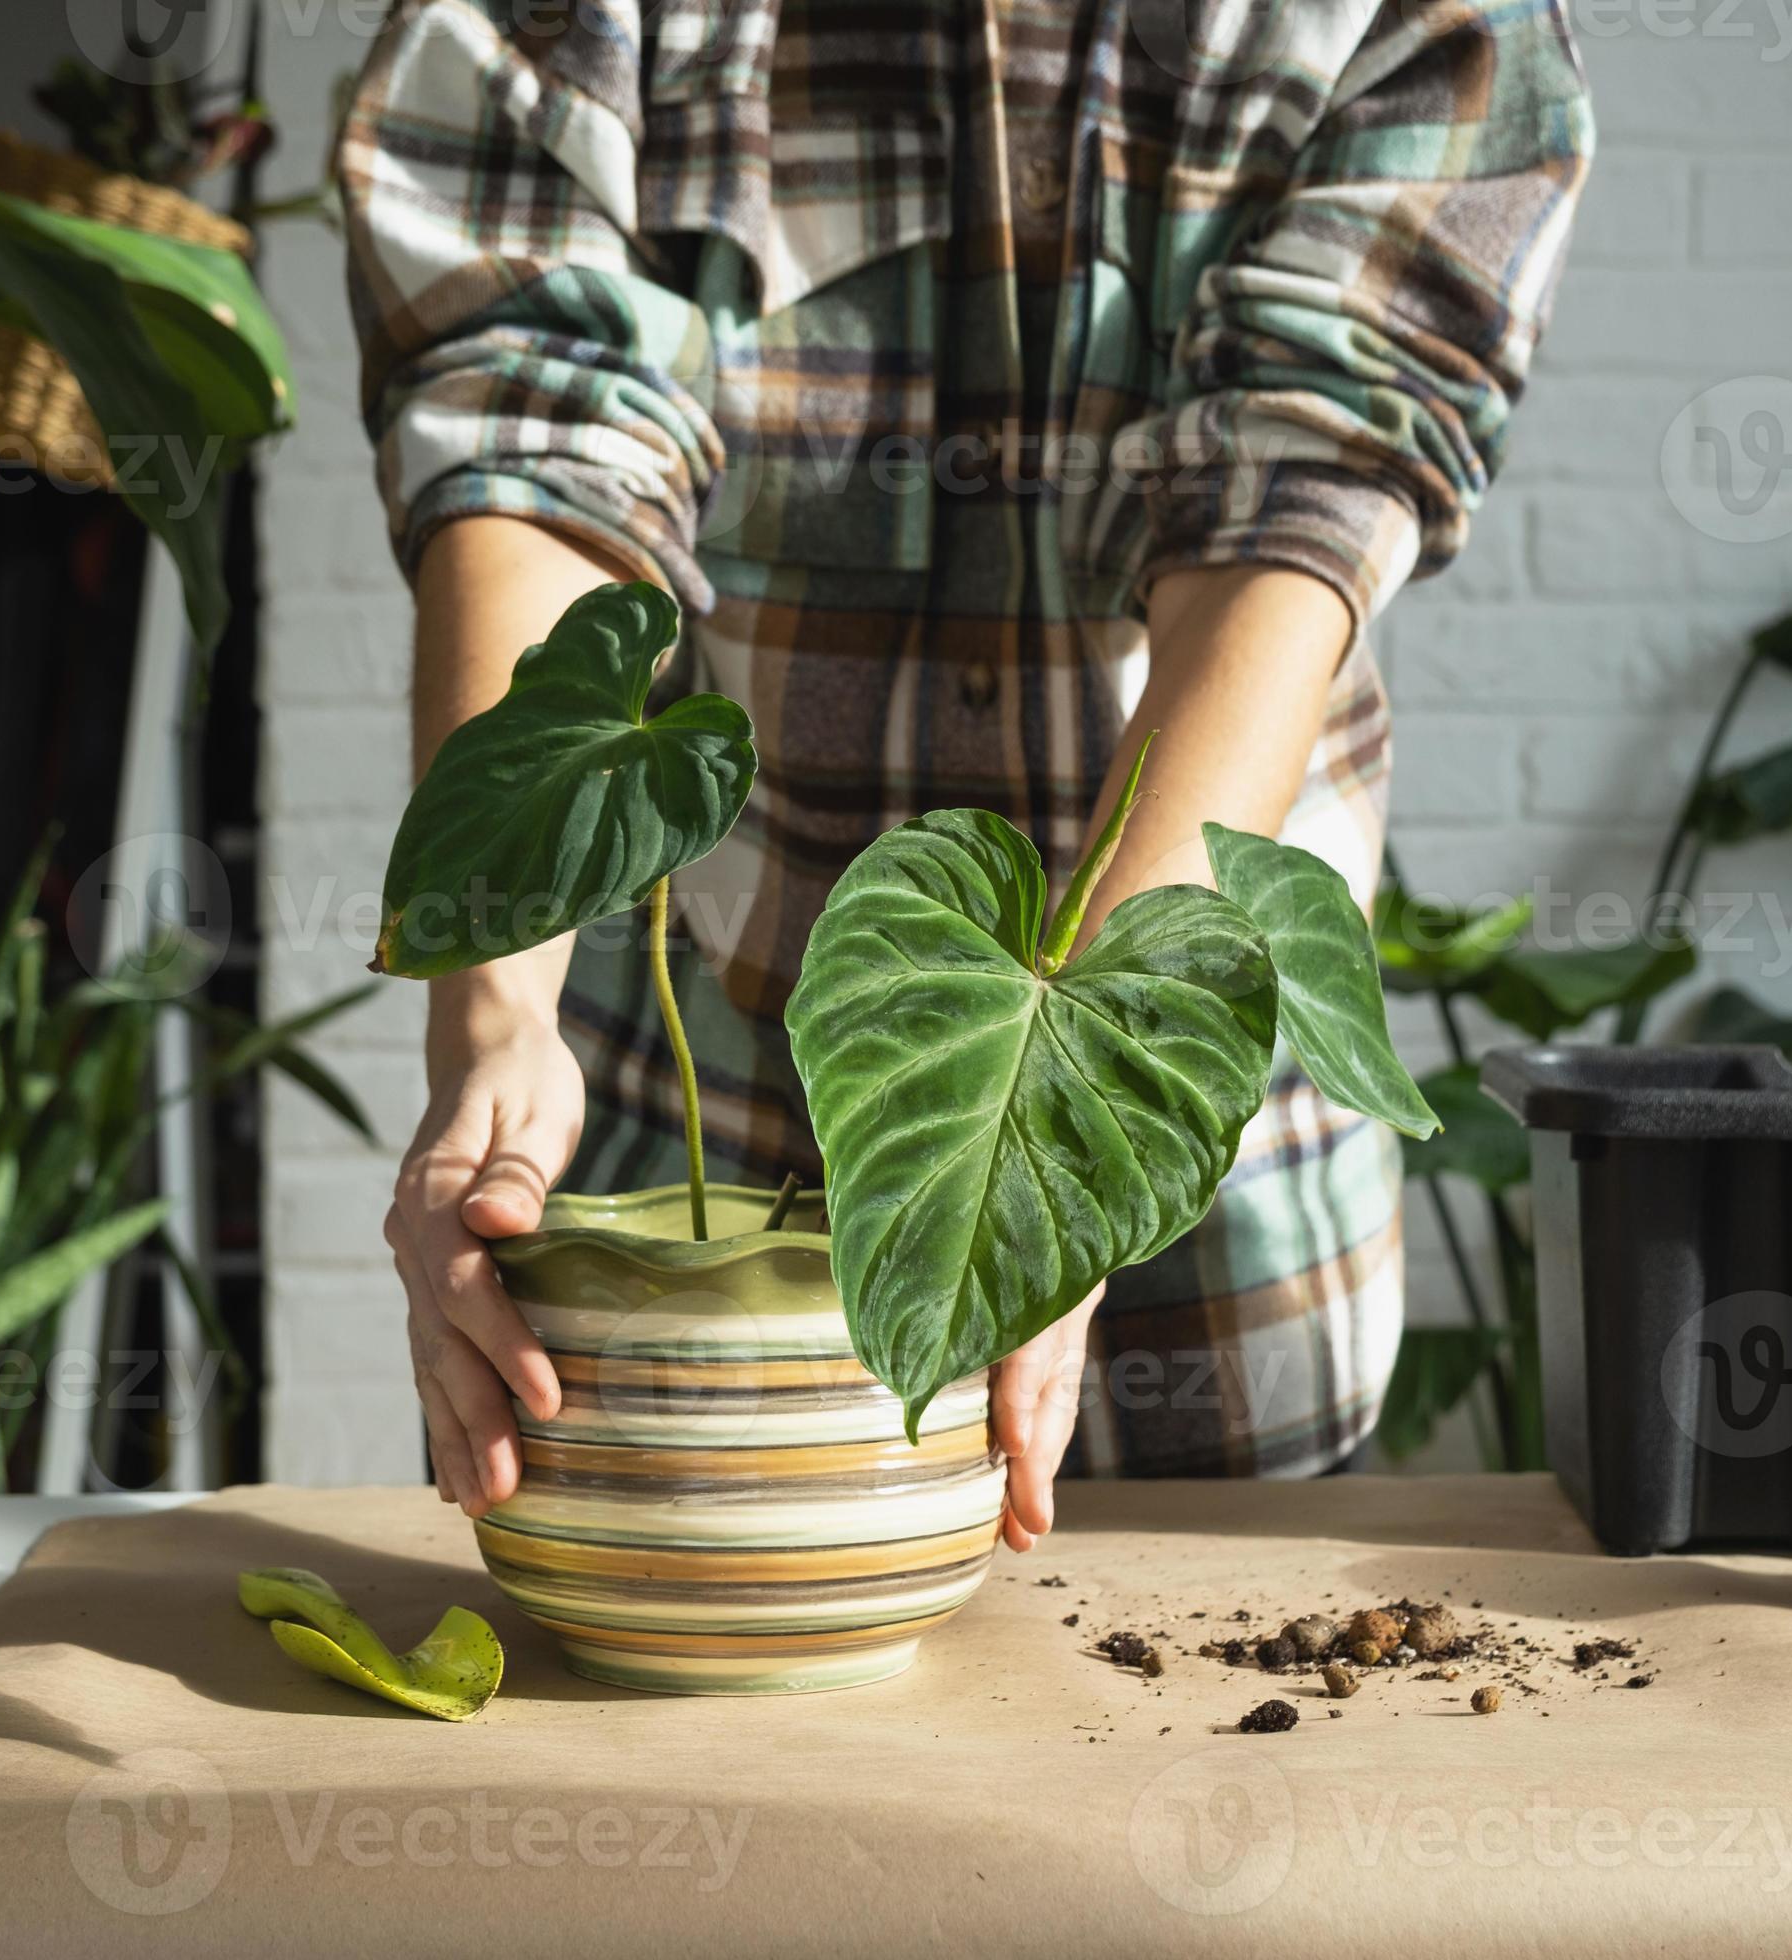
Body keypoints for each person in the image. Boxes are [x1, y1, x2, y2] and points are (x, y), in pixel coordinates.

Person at [344, 0, 1591, 1547]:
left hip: (1191, 1174)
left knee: (1201, 1748)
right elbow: (533, 431)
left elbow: (1305, 482)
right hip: (679, 1168)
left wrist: (1069, 1104)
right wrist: (492, 1026)